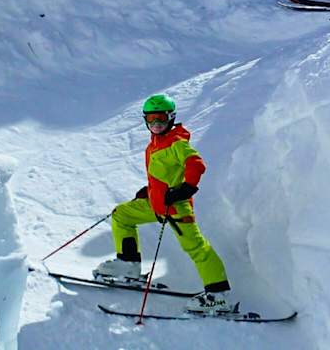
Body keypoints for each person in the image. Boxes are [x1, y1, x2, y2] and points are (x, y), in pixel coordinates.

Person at [93, 94, 233, 314]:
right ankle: (128, 265)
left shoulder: (176, 142)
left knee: (196, 247)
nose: (156, 124)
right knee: (122, 215)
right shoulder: (156, 144)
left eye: (160, 118)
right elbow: (164, 174)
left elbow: (195, 164)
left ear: (171, 117)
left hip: (176, 207)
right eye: (150, 119)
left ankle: (218, 296)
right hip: (156, 204)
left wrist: (186, 188)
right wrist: (149, 191)